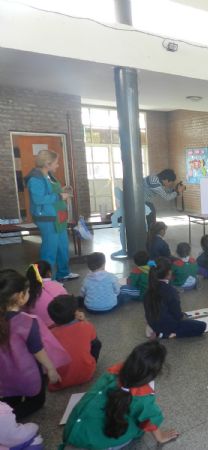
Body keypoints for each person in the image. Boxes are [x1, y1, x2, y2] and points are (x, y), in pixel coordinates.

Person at [59, 341, 179, 449]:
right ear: (155, 373)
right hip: (95, 444)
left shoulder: (111, 372)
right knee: (138, 426)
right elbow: (150, 420)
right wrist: (160, 437)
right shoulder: (143, 397)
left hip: (71, 431)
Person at [0, 269, 65, 419]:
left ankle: (6, 412)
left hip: (4, 374)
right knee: (37, 401)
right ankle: (8, 421)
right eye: (28, 291)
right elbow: (37, 350)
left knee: (10, 399)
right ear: (20, 296)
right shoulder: (27, 322)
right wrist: (51, 369)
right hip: (26, 373)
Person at [24, 149, 79, 282]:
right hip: (47, 219)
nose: (57, 165)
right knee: (50, 251)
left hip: (59, 217)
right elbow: (39, 199)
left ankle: (63, 273)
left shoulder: (48, 175)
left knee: (62, 247)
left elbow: (51, 191)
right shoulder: (35, 179)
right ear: (47, 164)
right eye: (56, 163)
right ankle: (47, 281)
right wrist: (60, 196)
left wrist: (62, 190)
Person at [47, 294, 101, 391]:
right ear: (75, 313)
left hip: (60, 381)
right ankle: (91, 363)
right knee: (96, 343)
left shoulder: (50, 335)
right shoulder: (87, 326)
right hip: (87, 374)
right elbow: (92, 341)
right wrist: (83, 321)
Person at [143, 257, 207, 338]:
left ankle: (155, 330)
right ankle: (166, 334)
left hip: (152, 323)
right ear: (169, 273)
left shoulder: (148, 290)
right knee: (202, 326)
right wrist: (182, 317)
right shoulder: (170, 291)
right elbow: (177, 315)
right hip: (169, 326)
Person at [23, 261, 67, 328]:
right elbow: (67, 305)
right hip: (60, 324)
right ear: (49, 273)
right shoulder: (58, 286)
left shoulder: (27, 292)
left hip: (39, 328)